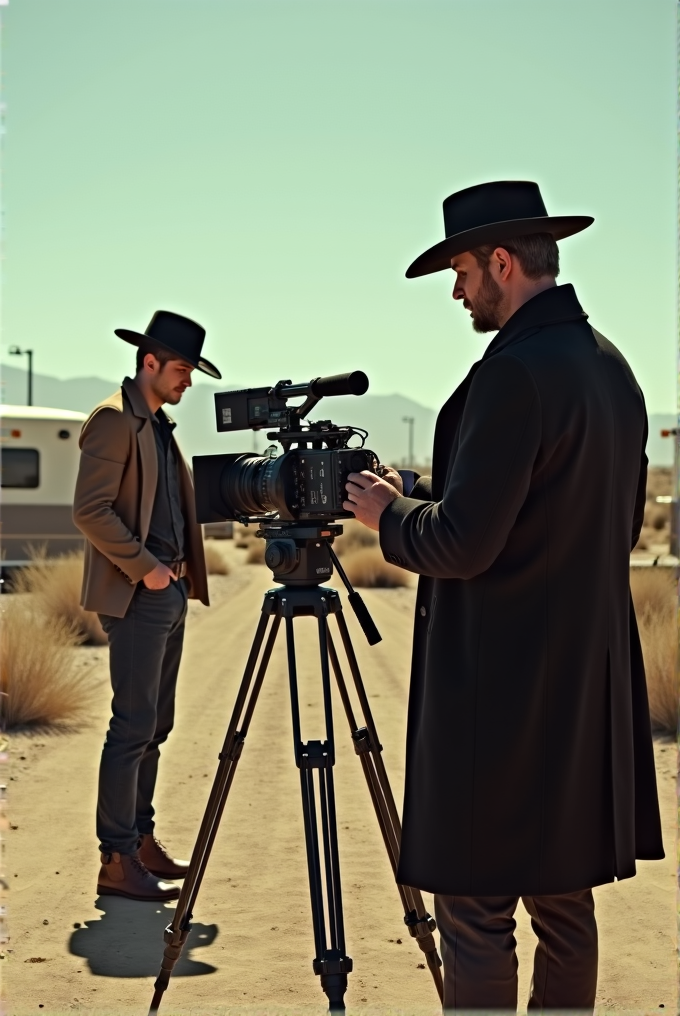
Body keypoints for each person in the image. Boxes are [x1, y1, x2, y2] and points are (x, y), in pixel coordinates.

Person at [344, 181, 664, 1012]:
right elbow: (605, 523)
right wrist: (432, 490)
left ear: (499, 261)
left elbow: (462, 543)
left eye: (459, 272)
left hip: (500, 695)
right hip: (580, 685)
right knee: (564, 902)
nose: (456, 293)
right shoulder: (612, 368)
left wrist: (391, 513)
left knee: (477, 908)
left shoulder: (514, 374)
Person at [73, 310, 221, 902]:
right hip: (139, 594)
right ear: (150, 362)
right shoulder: (114, 421)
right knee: (132, 727)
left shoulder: (158, 426)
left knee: (155, 726)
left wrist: (175, 579)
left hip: (167, 592)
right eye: (183, 369)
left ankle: (139, 840)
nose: (188, 382)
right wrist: (149, 572)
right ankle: (115, 858)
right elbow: (90, 511)